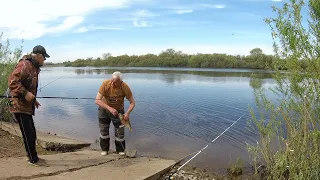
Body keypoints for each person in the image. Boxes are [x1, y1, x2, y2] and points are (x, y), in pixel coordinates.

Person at [7, 45, 50, 166]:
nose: (44, 60)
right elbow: (12, 81)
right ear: (39, 56)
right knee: (28, 133)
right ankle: (33, 160)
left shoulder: (35, 67)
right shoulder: (25, 65)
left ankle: (33, 157)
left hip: (26, 105)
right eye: (44, 58)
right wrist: (25, 93)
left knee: (31, 132)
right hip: (18, 105)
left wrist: (33, 100)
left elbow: (29, 86)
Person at [95, 71, 135, 156]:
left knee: (120, 132)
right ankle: (105, 149)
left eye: (115, 82)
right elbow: (97, 100)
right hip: (104, 110)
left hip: (119, 112)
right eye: (112, 81)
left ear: (121, 82)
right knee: (103, 131)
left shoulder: (125, 87)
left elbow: (132, 103)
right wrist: (110, 108)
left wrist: (127, 113)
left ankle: (120, 150)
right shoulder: (105, 84)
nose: (112, 83)